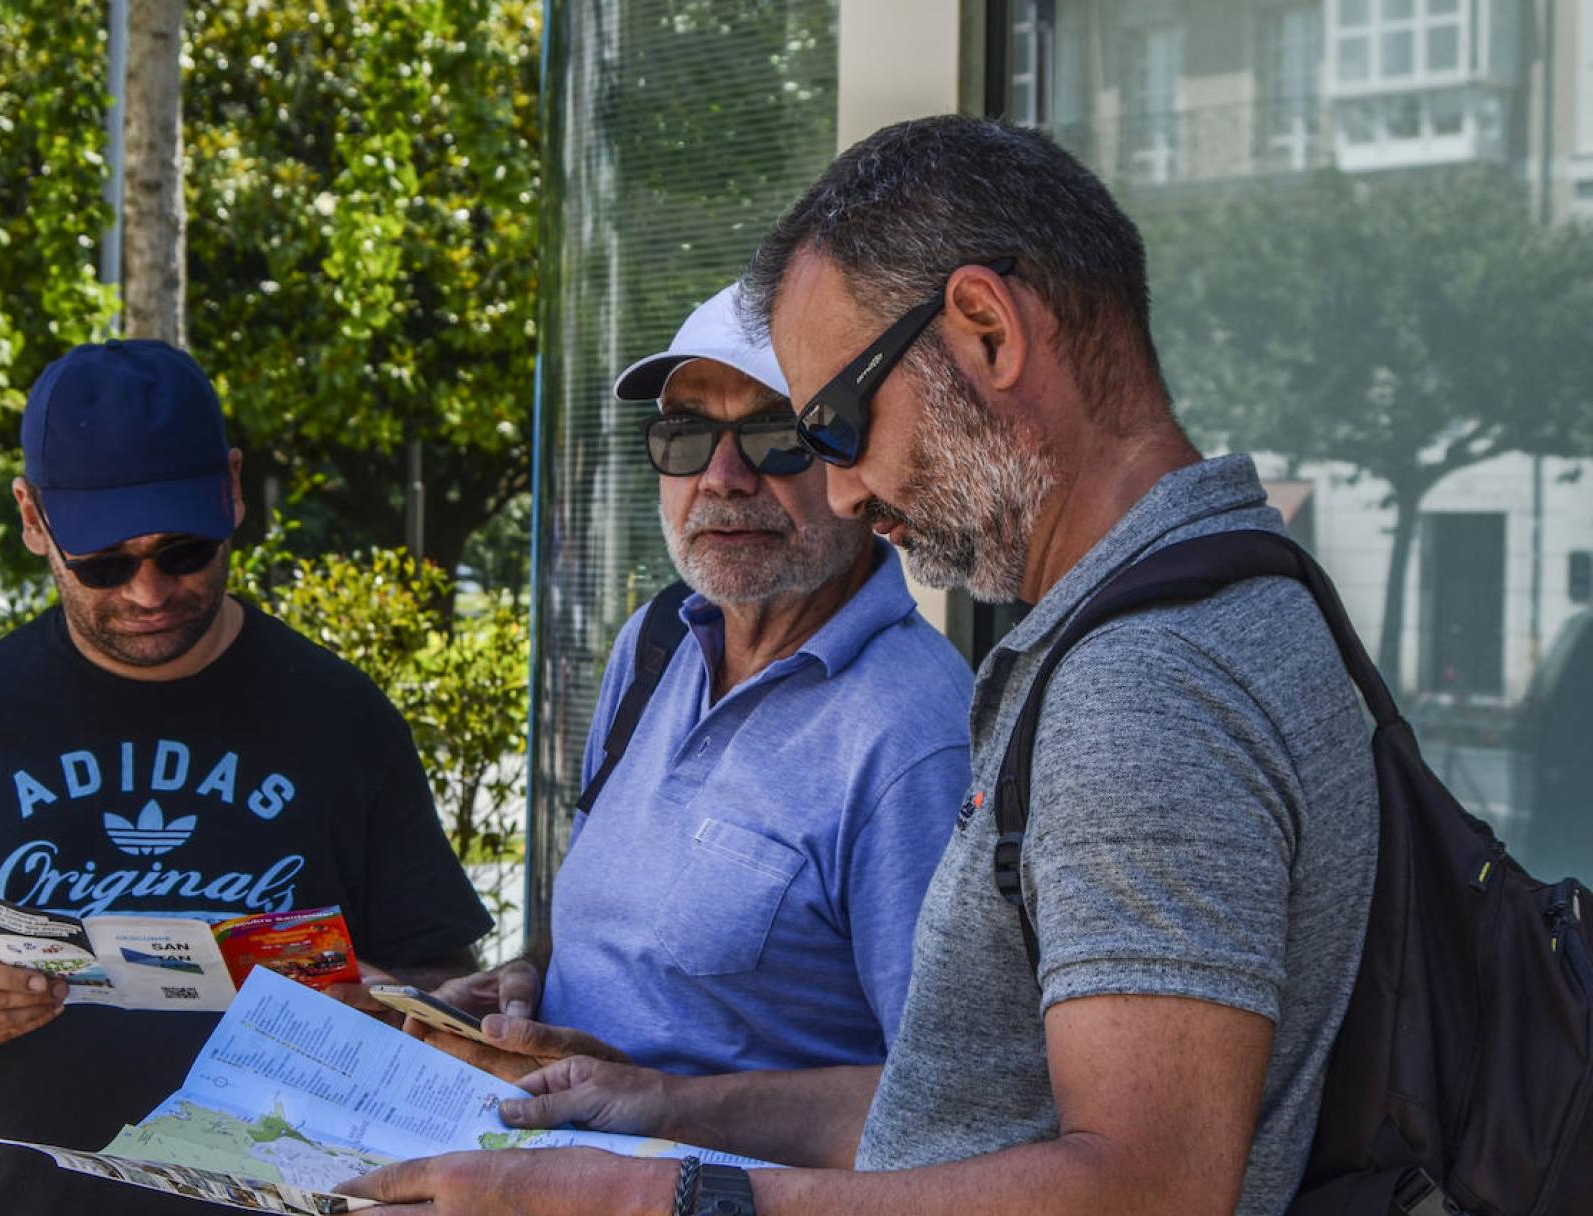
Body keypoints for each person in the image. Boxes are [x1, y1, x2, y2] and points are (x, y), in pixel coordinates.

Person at [340, 115, 1379, 1216]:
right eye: (690, 435)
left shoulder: (1143, 686)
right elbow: (952, 1110)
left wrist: (643, 1201)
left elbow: (1150, 1192)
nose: (838, 492)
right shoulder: (1208, 601)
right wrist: (664, 1103)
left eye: (827, 421)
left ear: (985, 330)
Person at [0, 339, 493, 1216]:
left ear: (234, 491)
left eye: (184, 551)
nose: (146, 591)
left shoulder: (342, 718)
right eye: (102, 563)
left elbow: (449, 996)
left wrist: (386, 1006)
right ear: (31, 518)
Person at [415, 284, 973, 1081]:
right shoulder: (656, 642)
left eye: (776, 434)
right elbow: (632, 920)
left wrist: (657, 1102)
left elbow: (943, 1108)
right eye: (685, 434)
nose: (720, 477)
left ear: (856, 453)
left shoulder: (914, 734)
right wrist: (533, 975)